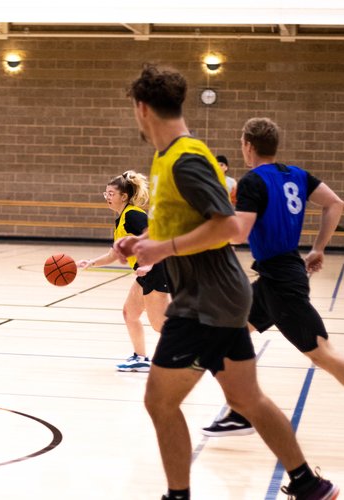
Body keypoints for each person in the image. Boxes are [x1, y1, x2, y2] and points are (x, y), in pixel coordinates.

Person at [115, 64, 337, 500]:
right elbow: (181, 221)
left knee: (159, 401)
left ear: (142, 109)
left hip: (205, 298)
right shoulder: (165, 157)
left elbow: (228, 227)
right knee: (245, 398)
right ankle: (309, 484)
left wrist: (164, 249)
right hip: (222, 294)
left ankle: (177, 495)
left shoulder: (188, 157)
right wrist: (143, 239)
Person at [201, 117, 344, 440]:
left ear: (248, 146)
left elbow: (239, 234)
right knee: (222, 338)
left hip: (282, 281)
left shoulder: (253, 182)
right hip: (275, 276)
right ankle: (241, 411)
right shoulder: (296, 174)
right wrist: (318, 248)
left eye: (241, 144)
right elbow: (335, 204)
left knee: (324, 353)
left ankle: (243, 409)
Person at [78, 170, 169, 372]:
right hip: (144, 273)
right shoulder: (121, 218)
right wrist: (91, 263)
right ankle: (141, 357)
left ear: (124, 196)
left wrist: (148, 264)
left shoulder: (134, 215)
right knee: (130, 313)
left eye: (111, 193)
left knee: (159, 324)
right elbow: (113, 254)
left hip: (156, 270)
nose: (107, 197)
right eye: (106, 193)